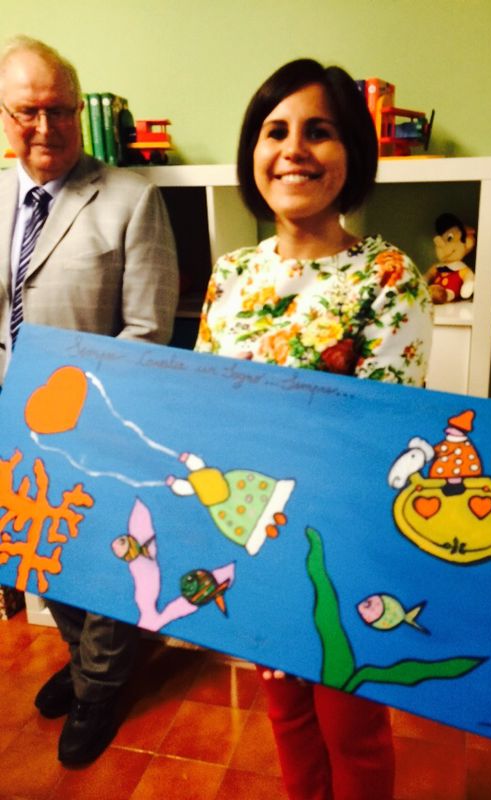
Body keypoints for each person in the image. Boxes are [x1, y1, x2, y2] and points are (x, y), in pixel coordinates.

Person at [194, 58, 433, 800]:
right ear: (253, 154)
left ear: (351, 153)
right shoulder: (231, 274)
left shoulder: (388, 276)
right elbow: (200, 404)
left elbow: (380, 436)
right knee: (286, 715)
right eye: (275, 132)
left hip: (343, 546)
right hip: (253, 535)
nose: (293, 149)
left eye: (318, 131)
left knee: (351, 727)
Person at [0, 36, 178, 765]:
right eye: (28, 112)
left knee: (103, 557)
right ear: (4, 115)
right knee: (41, 551)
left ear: (80, 111)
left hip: (95, 421)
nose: (46, 127)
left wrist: (77, 411)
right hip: (9, 422)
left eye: (61, 110)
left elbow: (149, 329)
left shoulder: (131, 198)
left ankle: (102, 685)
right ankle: (82, 663)